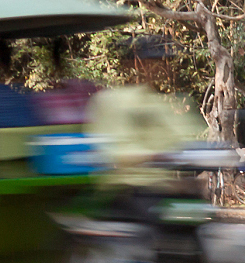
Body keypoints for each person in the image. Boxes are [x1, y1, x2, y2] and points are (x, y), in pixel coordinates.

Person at [86, 35, 207, 220]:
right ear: (132, 64)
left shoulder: (165, 104)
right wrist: (155, 155)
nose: (156, 67)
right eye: (149, 60)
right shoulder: (110, 102)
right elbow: (114, 150)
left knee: (197, 214)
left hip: (166, 189)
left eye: (161, 61)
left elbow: (188, 137)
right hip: (127, 190)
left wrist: (216, 152)